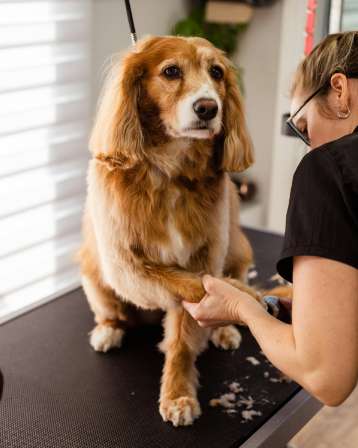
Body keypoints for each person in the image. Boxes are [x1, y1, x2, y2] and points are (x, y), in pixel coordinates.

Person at [183, 31, 358, 407]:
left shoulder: (327, 168)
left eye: (303, 126)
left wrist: (240, 308)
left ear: (340, 90)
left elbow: (326, 378)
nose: (309, 144)